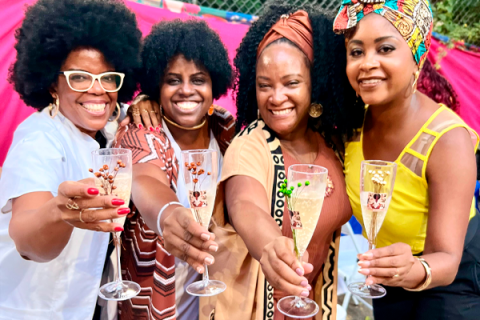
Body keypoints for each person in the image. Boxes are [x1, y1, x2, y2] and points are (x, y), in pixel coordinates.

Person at [175, 3, 361, 319]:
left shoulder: (332, 142)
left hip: (310, 307)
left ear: (315, 83)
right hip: (249, 310)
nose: (275, 97)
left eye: (291, 83)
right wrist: (272, 245)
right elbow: (246, 205)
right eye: (264, 85)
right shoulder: (251, 145)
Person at [334, 0, 480, 319]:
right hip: (388, 271)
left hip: (450, 279)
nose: (367, 63)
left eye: (385, 49)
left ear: (417, 58)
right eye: (356, 52)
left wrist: (414, 268)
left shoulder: (447, 140)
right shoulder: (350, 129)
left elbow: (446, 258)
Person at [0, 0, 141, 319]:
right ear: (52, 83)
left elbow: (119, 109)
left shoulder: (106, 126)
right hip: (33, 309)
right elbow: (26, 240)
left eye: (109, 78)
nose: (98, 91)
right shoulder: (39, 138)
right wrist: (58, 212)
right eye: (80, 78)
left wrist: (146, 101)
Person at [113, 19, 234, 320]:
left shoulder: (227, 129)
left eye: (198, 79)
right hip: (154, 302)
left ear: (213, 84)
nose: (186, 91)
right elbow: (143, 180)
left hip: (216, 300)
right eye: (172, 80)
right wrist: (168, 214)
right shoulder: (140, 132)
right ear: (157, 84)